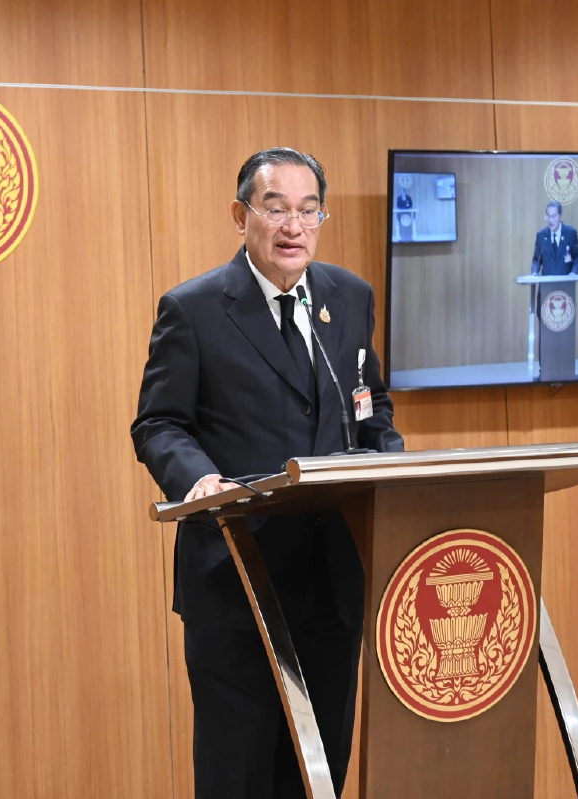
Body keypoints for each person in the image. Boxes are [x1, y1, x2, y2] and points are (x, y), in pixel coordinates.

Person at [132, 147, 404, 798]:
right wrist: (197, 478)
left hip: (333, 576)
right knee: (241, 776)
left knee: (320, 772)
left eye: (309, 210)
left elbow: (371, 402)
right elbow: (159, 423)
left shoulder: (349, 296)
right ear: (240, 215)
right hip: (238, 579)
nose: (294, 226)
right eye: (275, 207)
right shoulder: (193, 309)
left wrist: (392, 458)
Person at [530, 200, 578, 275]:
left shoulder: (570, 233)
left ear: (560, 217)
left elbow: (577, 257)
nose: (550, 220)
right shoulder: (541, 235)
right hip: (546, 285)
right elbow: (536, 259)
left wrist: (574, 272)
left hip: (565, 284)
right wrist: (534, 272)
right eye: (548, 216)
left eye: (554, 216)